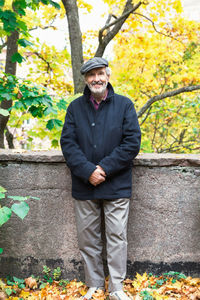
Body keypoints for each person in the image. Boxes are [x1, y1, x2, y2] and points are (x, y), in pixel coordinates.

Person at [60, 57, 141, 300]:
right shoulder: (75, 108)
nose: (97, 78)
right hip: (84, 185)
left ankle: (116, 288)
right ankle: (94, 284)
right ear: (85, 79)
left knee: (117, 238)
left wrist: (103, 169)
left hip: (116, 185)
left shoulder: (125, 105)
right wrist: (87, 172)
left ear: (108, 75)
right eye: (91, 74)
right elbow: (68, 143)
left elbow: (131, 143)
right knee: (88, 240)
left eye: (100, 73)